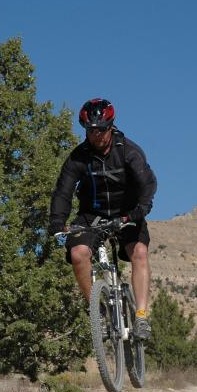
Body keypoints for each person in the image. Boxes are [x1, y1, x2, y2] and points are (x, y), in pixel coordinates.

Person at [49, 98, 157, 339]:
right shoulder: (78, 157)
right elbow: (63, 191)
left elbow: (147, 184)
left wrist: (139, 210)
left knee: (139, 252)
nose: (96, 135)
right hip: (92, 215)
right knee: (78, 253)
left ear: (111, 126)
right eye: (90, 130)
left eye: (100, 129)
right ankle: (95, 310)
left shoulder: (128, 151)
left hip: (128, 212)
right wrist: (57, 221)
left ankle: (141, 316)